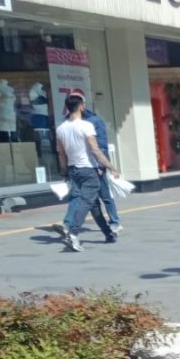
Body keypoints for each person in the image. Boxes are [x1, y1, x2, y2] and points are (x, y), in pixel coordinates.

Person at [55, 93, 121, 252]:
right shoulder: (86, 126)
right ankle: (73, 232)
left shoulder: (61, 128)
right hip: (88, 170)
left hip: (73, 170)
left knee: (93, 204)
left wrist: (64, 172)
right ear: (81, 106)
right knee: (86, 202)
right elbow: (95, 150)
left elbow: (61, 153)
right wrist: (111, 168)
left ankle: (108, 233)